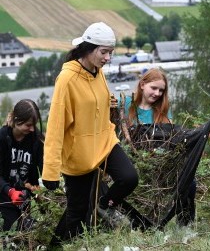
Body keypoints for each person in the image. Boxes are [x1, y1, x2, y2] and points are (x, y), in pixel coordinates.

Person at [41, 22, 138, 244]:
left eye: (110, 53)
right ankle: (58, 246)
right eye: (104, 52)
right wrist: (50, 171)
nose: (107, 58)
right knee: (77, 212)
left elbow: (94, 99)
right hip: (79, 155)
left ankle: (104, 205)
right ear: (87, 48)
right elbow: (56, 126)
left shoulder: (98, 72)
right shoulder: (67, 79)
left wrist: (107, 102)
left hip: (103, 141)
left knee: (129, 178)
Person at [122, 68, 196, 226]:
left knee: (189, 180)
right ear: (142, 84)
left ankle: (186, 223)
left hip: (158, 160)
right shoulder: (127, 103)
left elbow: (168, 141)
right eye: (153, 88)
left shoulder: (162, 111)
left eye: (161, 90)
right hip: (132, 161)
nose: (157, 93)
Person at [0, 99, 44, 233]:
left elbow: (37, 173)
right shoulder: (2, 137)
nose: (31, 129)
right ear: (16, 120)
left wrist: (40, 195)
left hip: (23, 199)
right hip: (4, 197)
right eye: (28, 125)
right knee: (9, 232)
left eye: (34, 125)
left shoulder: (35, 140)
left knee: (26, 231)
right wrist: (10, 191)